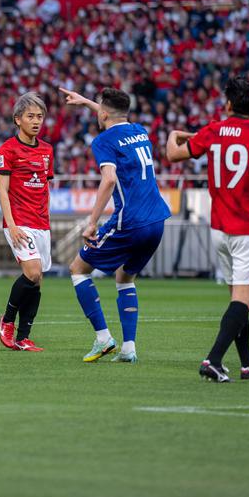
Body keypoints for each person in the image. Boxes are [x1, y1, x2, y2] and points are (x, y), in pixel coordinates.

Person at [167, 76, 249, 382]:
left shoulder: (213, 130)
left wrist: (174, 134)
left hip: (220, 229)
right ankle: (212, 359)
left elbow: (173, 154)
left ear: (229, 103)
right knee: (245, 300)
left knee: (237, 298)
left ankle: (248, 364)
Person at [60, 87, 171, 364]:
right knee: (124, 277)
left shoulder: (103, 141)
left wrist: (92, 222)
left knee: (78, 270)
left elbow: (108, 180)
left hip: (130, 221)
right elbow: (110, 114)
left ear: (104, 113)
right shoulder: (140, 130)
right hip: (157, 219)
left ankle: (103, 338)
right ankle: (128, 348)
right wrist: (86, 102)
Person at [0, 93, 54, 352]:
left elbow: (45, 188)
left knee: (37, 279)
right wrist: (11, 224)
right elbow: (2, 189)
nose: (36, 121)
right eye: (30, 116)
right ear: (17, 119)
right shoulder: (7, 150)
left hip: (41, 223)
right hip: (19, 220)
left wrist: (47, 220)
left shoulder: (47, 150)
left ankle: (23, 337)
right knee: (32, 272)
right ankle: (7, 321)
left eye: (39, 116)